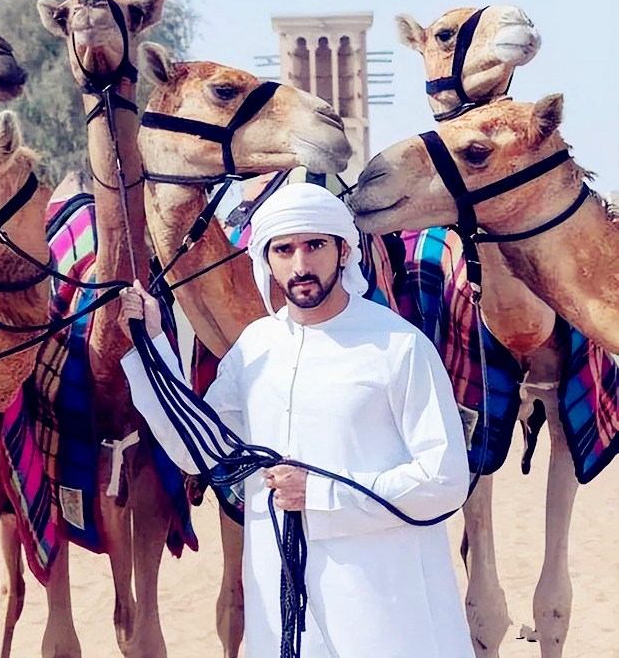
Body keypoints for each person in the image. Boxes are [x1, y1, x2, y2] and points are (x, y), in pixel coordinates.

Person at [118, 182, 473, 658]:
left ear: (343, 251)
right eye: (283, 250)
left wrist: (321, 494)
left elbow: (445, 481)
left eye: (315, 245)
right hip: (282, 606)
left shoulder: (399, 346)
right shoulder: (255, 347)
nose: (300, 265)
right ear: (266, 259)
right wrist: (152, 344)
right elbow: (204, 450)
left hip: (384, 607)